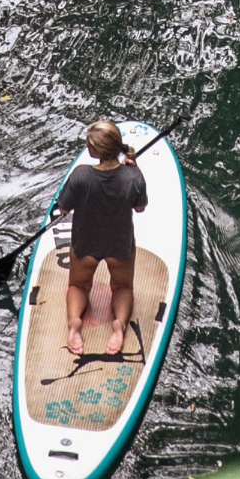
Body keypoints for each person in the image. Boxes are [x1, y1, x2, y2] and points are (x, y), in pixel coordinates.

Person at [57, 117, 147, 359]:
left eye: (89, 144)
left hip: (85, 244)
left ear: (96, 151)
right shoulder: (132, 177)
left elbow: (63, 209)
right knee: (122, 286)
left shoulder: (80, 175)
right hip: (119, 246)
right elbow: (140, 208)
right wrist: (133, 169)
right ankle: (118, 326)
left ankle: (75, 324)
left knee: (78, 285)